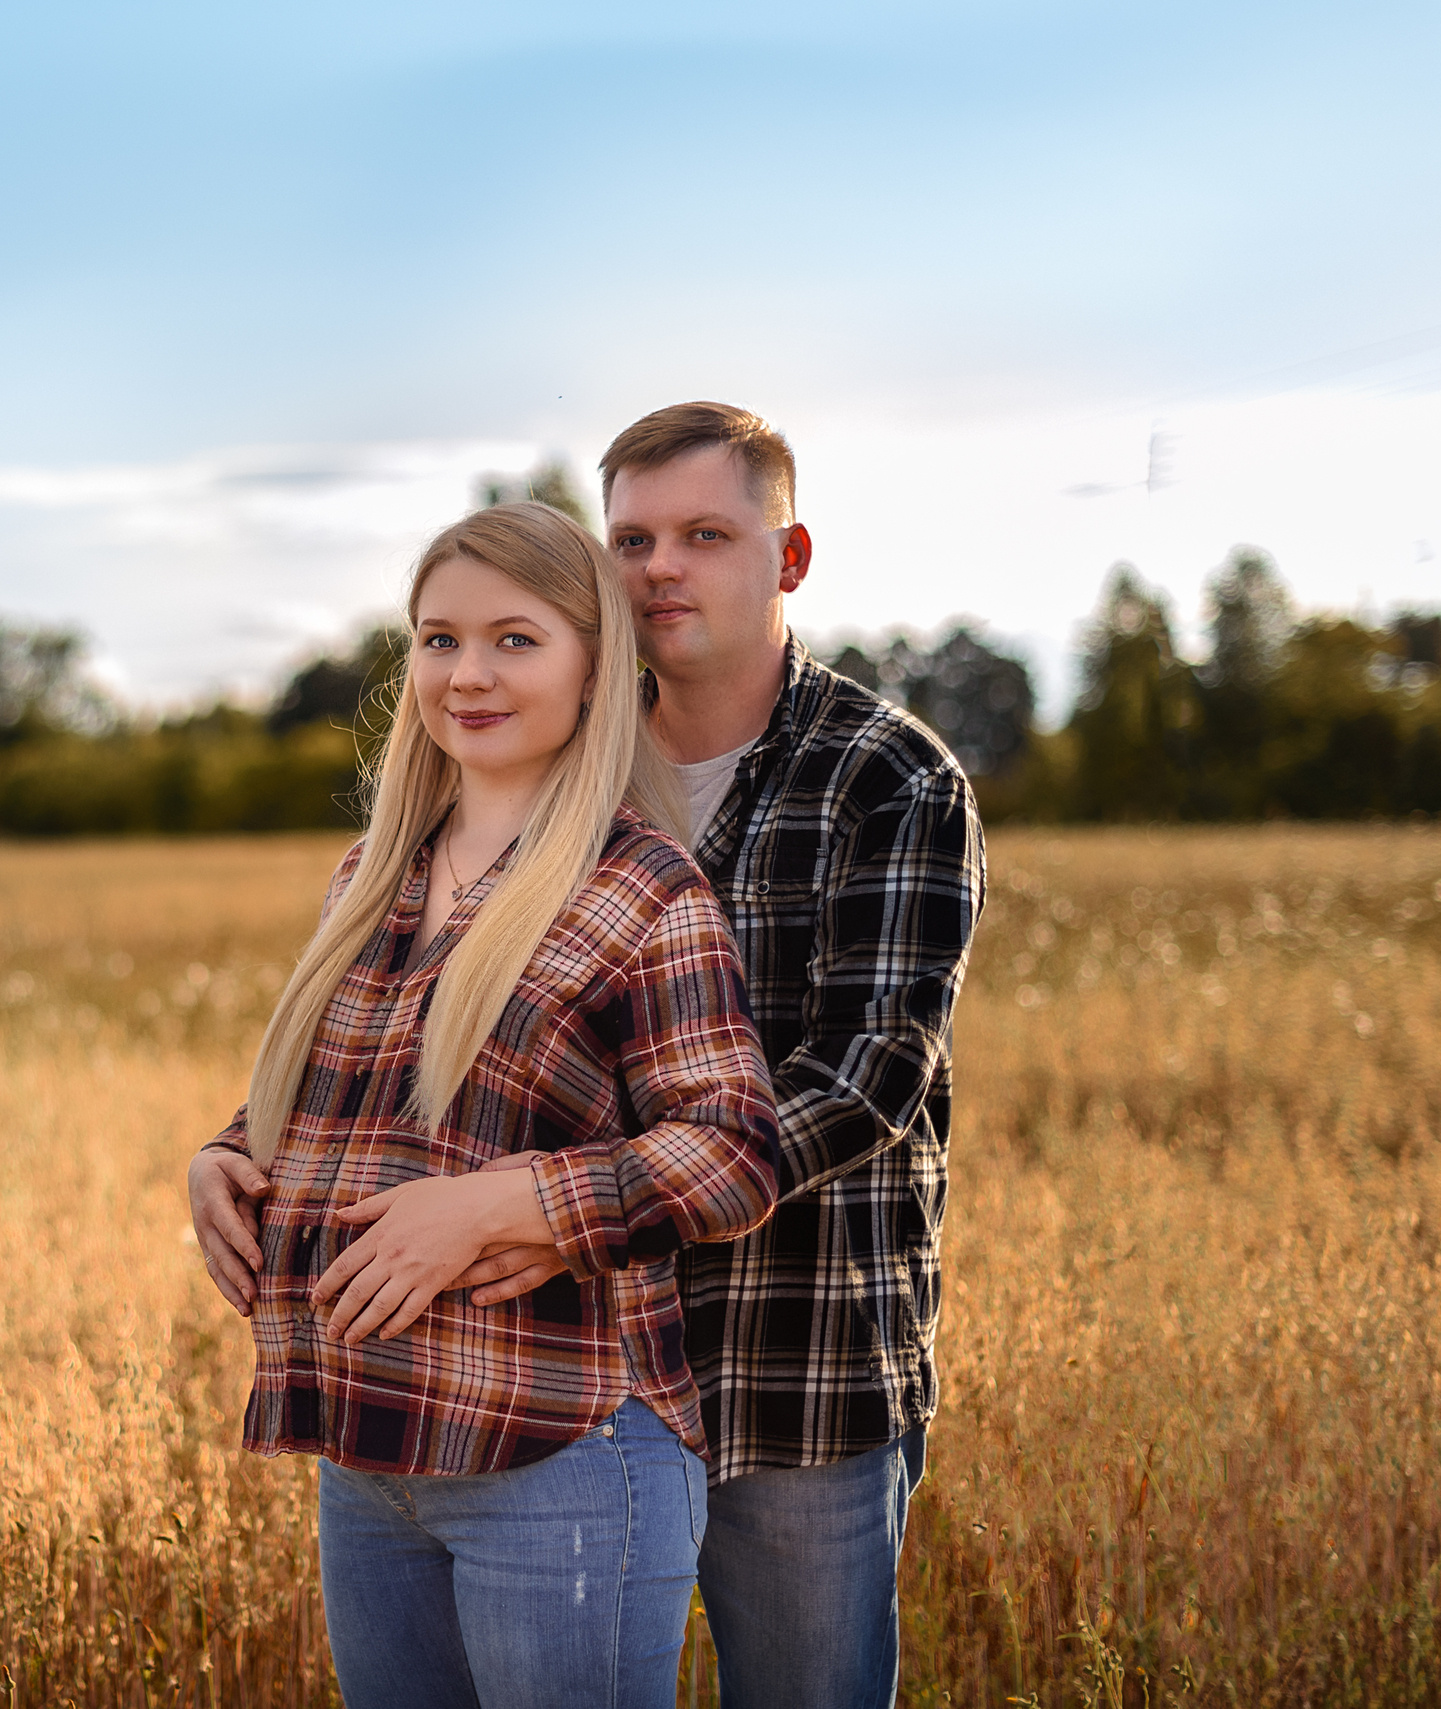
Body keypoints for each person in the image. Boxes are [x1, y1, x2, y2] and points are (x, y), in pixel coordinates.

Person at [186, 500, 782, 1709]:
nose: (467, 674)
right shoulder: (373, 874)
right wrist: (227, 1153)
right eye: (438, 638)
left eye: (515, 639)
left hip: (558, 1448)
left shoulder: (640, 886)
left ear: (592, 666)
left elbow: (735, 1151)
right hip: (372, 1448)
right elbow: (345, 1091)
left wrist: (514, 1207)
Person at [461, 403, 987, 1708]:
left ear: (788, 557)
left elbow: (867, 1075)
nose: (659, 569)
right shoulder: (559, 770)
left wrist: (576, 1209)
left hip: (795, 1368)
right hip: (574, 1368)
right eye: (631, 539)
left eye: (704, 535)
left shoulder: (890, 776)